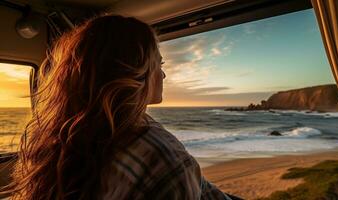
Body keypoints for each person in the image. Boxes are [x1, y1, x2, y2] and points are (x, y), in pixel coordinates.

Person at [8, 15, 237, 199]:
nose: (164, 74)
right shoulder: (162, 157)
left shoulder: (55, 138)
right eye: (158, 64)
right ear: (133, 72)